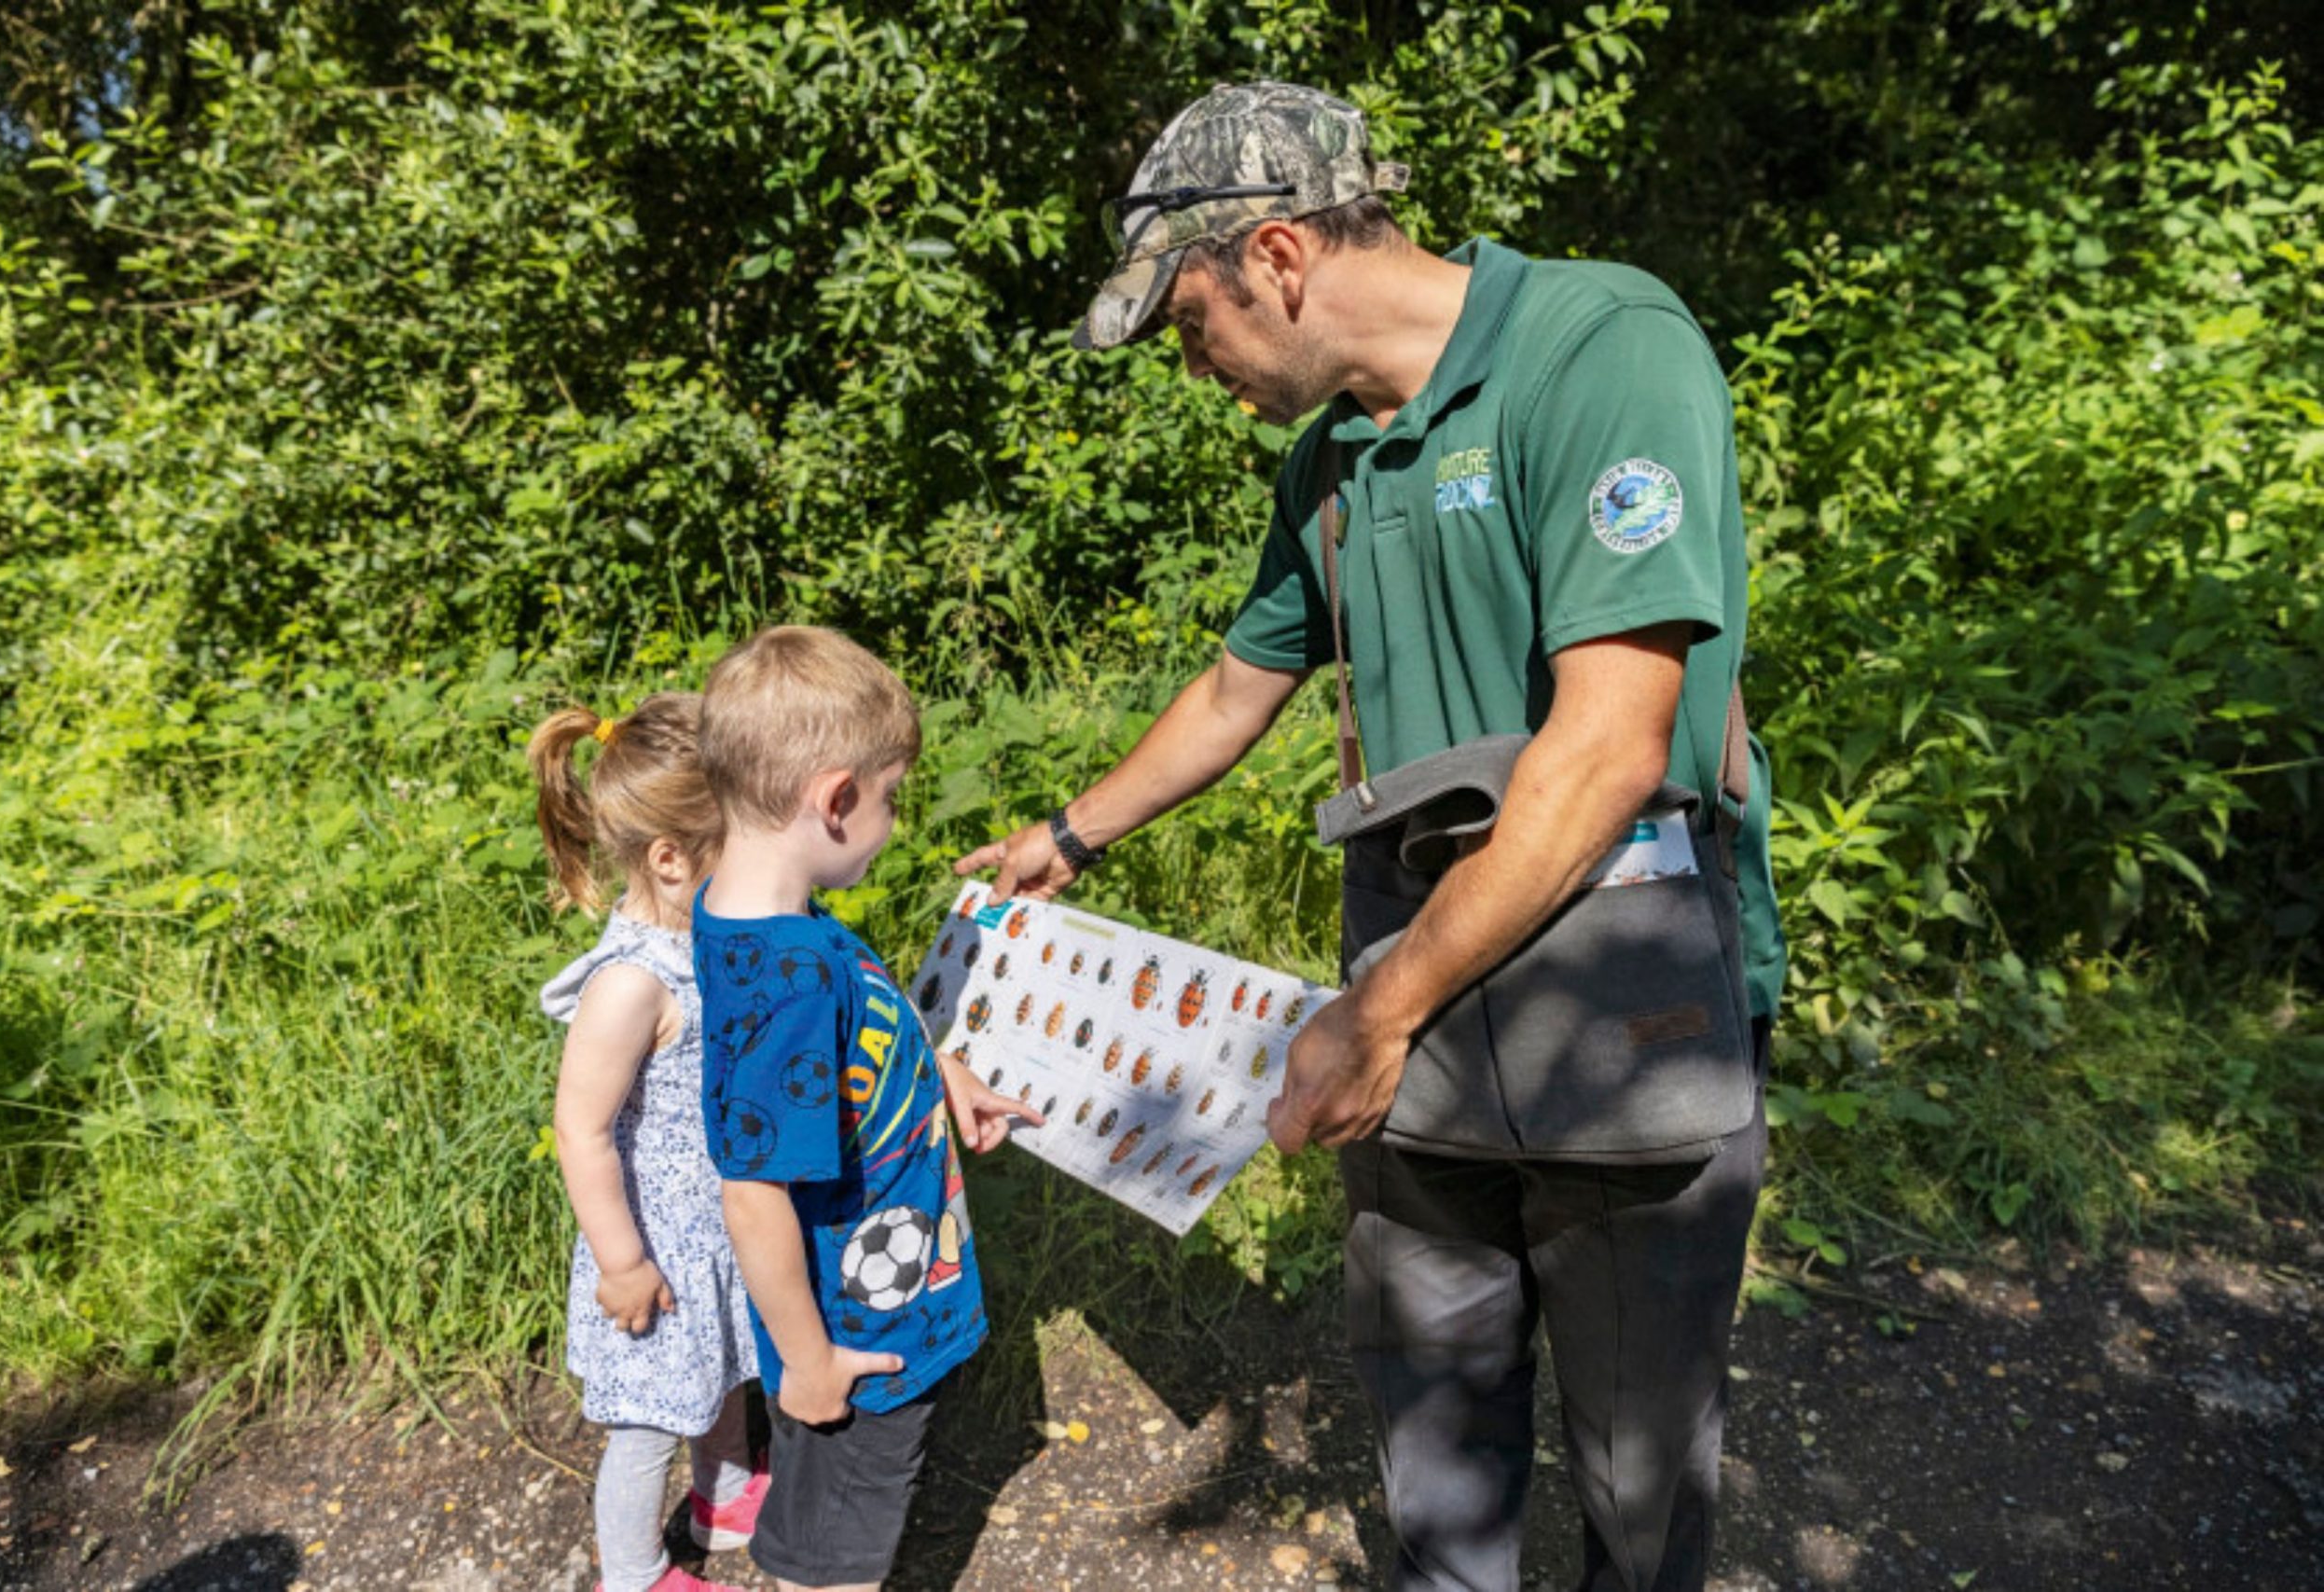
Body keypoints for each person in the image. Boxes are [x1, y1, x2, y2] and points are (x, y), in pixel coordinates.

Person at [961, 82, 1786, 1592]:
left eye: (1190, 323)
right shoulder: (1329, 468)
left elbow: (1607, 744)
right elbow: (1236, 685)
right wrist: (1066, 838)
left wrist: (1374, 1015)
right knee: (1436, 1455)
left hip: (1618, 1007)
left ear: (1276, 255)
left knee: (1639, 1476)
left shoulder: (1602, 351)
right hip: (1421, 1012)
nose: (1192, 365)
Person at [693, 626, 1035, 1592]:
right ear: (834, 798)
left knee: (849, 1516)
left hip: (875, 1300)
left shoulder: (764, 913)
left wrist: (939, 1077)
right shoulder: (787, 976)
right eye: (888, 800)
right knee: (833, 1553)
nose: (892, 821)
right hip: (856, 1335)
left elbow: (846, 1053)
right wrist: (808, 1365)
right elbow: (752, 1192)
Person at [531, 694, 770, 1592]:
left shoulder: (707, 935)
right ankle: (631, 1572)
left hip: (715, 1226)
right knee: (645, 1421)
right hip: (651, 1244)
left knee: (720, 1369)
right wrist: (621, 1260)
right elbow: (580, 1127)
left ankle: (729, 1493)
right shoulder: (631, 981)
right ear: (671, 860)